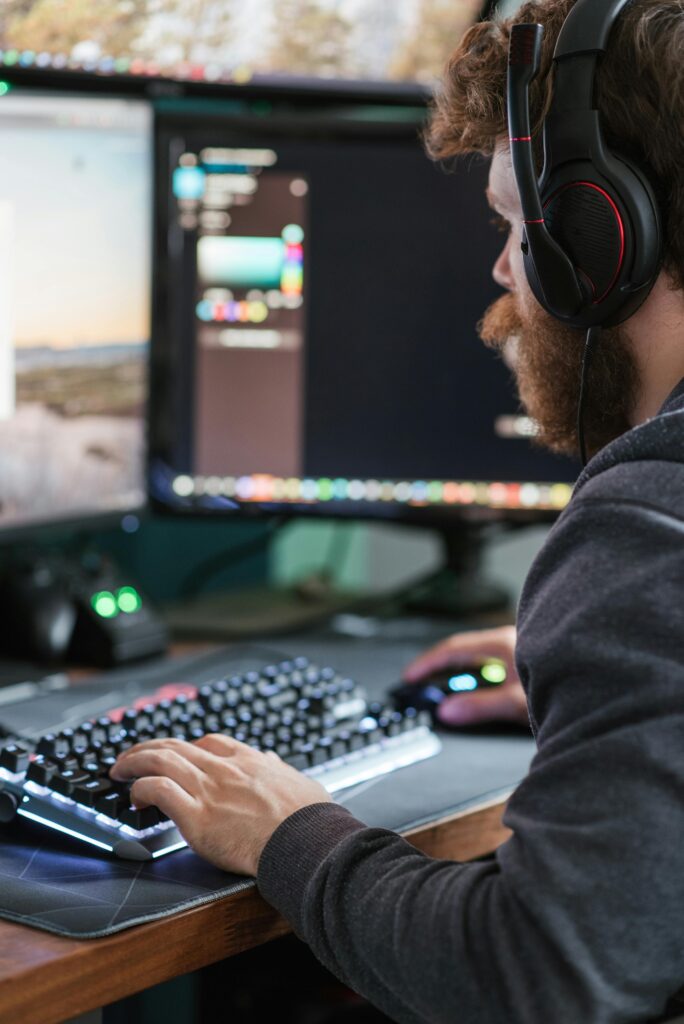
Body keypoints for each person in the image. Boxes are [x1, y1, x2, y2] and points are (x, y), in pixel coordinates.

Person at [111, 1, 684, 1020]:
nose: (505, 268)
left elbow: (540, 978)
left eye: (521, 224)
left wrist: (292, 830)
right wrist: (603, 679)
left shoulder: (646, 528)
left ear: (605, 239)